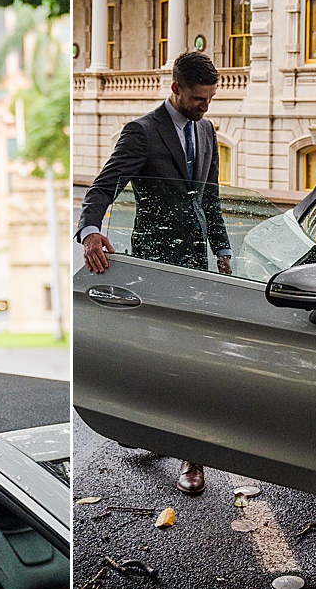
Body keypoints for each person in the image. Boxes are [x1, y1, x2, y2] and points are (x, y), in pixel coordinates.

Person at [76, 49, 231, 495]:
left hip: (195, 264)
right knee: (158, 354)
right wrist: (90, 232)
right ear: (176, 89)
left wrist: (221, 250)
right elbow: (103, 188)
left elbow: (210, 197)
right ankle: (160, 430)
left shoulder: (207, 131)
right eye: (199, 98)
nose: (206, 106)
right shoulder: (141, 133)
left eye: (211, 98)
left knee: (193, 357)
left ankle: (192, 454)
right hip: (152, 262)